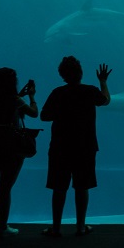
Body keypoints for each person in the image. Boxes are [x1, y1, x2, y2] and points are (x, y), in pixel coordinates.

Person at [40, 56, 111, 237]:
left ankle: (56, 228)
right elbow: (105, 100)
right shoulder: (90, 91)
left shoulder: (57, 93)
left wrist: (63, 112)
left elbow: (44, 116)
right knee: (82, 187)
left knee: (59, 187)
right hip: (85, 146)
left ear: (62, 75)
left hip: (60, 147)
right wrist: (103, 81)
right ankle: (80, 226)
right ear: (81, 73)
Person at [0, 68, 38, 238]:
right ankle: (2, 227)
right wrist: (31, 96)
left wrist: (19, 97)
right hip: (12, 146)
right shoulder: (15, 100)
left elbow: (4, 111)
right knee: (5, 187)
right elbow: (34, 113)